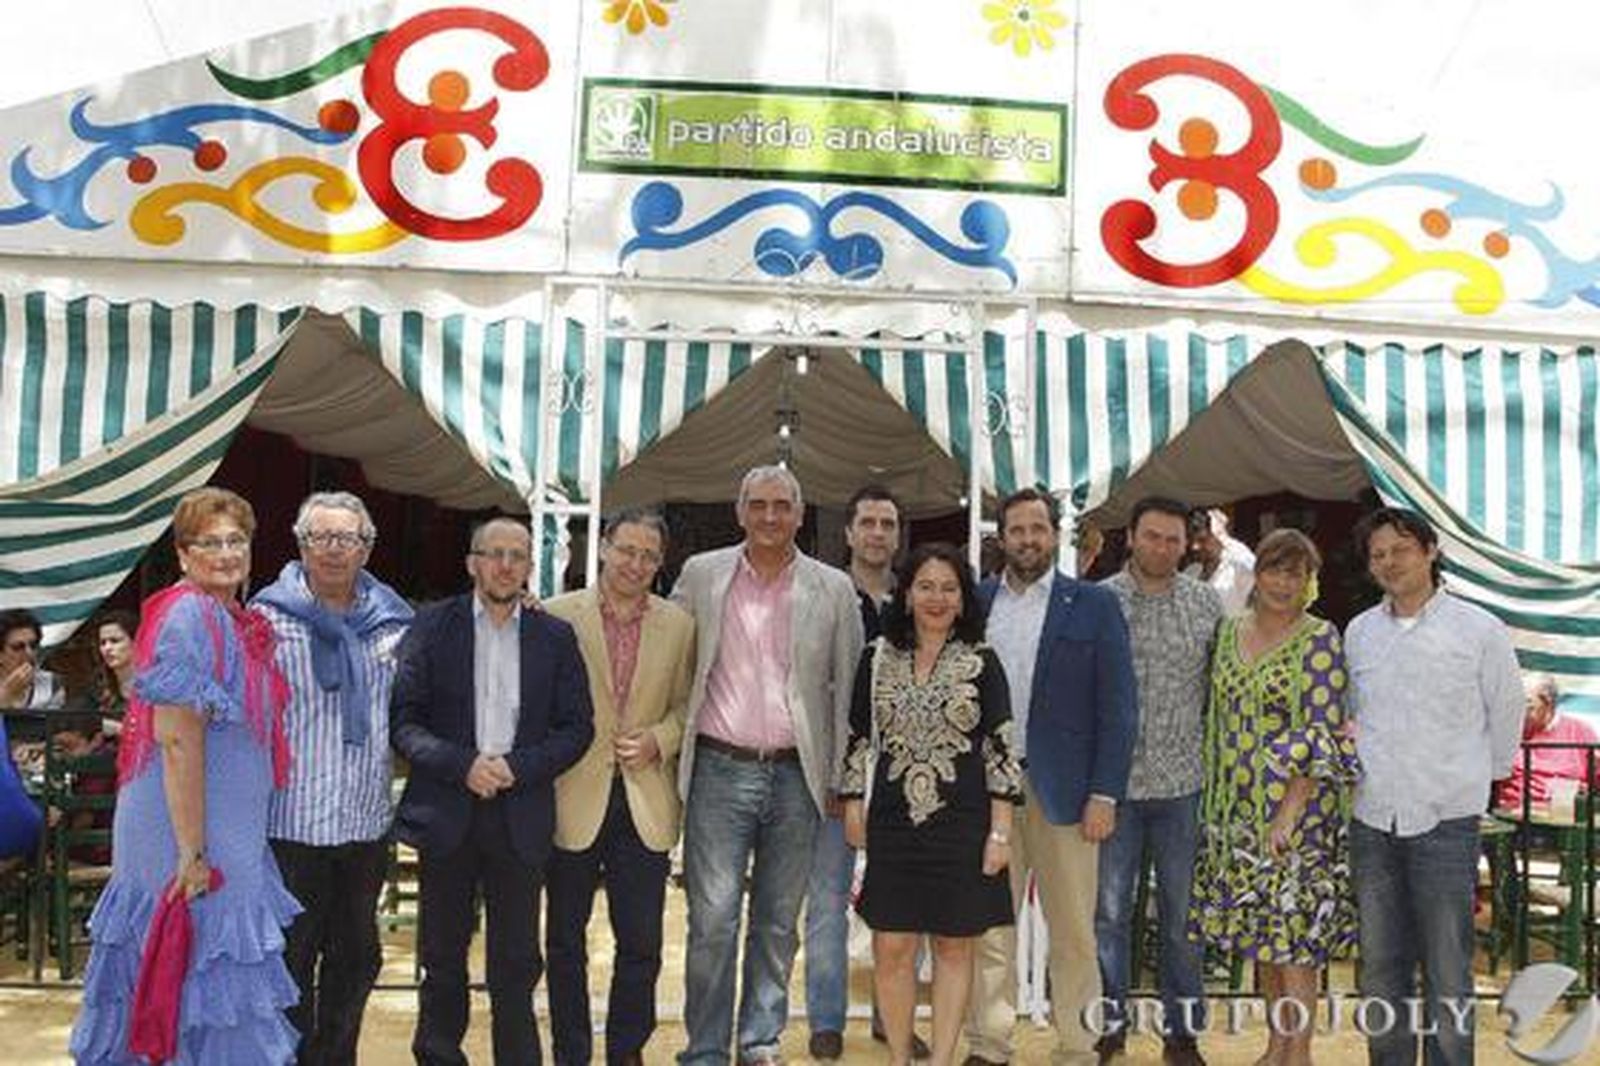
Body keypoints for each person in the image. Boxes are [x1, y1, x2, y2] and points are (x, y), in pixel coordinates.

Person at [70, 486, 300, 1063]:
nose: (226, 553)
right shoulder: (189, 614)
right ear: (182, 555)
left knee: (210, 981)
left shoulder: (228, 617)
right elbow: (176, 741)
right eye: (210, 542)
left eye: (237, 540)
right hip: (187, 835)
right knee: (193, 971)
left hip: (224, 830)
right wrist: (193, 852)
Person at [671, 465, 864, 1066]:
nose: (770, 517)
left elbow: (850, 691)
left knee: (779, 924)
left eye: (782, 506)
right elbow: (672, 657)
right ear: (740, 511)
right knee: (713, 923)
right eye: (759, 505)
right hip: (718, 770)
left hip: (796, 777)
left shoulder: (833, 589)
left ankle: (758, 1041)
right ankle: (704, 1050)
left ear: (801, 515)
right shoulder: (701, 575)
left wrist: (843, 780)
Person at [390, 516, 594, 1066]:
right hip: (448, 813)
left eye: (518, 555)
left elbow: (578, 728)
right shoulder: (432, 626)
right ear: (472, 563)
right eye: (494, 553)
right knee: (442, 958)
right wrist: (464, 766)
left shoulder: (554, 635)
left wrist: (516, 768)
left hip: (520, 816)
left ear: (531, 566)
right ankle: (438, 1055)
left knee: (517, 961)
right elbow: (404, 722)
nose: (506, 564)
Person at [1344, 507, 1522, 1066]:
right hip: (1373, 822)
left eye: (1400, 549)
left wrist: (1474, 782)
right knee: (1380, 967)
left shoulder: (1479, 629)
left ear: (1430, 550)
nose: (1389, 562)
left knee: (1448, 967)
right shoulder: (1360, 633)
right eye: (1378, 555)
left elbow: (1508, 710)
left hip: (1446, 823)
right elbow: (1353, 714)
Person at [967, 488, 1137, 1066]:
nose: (1028, 540)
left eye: (1038, 529)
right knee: (991, 930)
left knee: (1074, 933)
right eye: (1017, 530)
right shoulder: (978, 600)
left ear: (1054, 534)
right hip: (988, 795)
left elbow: (1118, 707)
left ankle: (1078, 1046)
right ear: (1003, 538)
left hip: (1067, 795)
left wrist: (1105, 792)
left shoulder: (1092, 605)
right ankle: (989, 1044)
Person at [841, 542, 1022, 1066]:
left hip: (964, 827)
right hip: (893, 825)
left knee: (953, 945)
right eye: (926, 586)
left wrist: (1001, 833)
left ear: (964, 600)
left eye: (949, 588)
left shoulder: (983, 662)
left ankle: (941, 1058)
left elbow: (1002, 749)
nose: (937, 598)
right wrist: (852, 801)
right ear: (907, 594)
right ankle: (900, 1056)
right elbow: (857, 737)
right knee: (892, 947)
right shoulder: (876, 658)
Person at [252, 491, 414, 1066]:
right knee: (291, 960)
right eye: (321, 537)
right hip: (290, 822)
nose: (334, 550)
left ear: (367, 547)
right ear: (300, 544)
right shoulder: (265, 620)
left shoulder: (394, 623)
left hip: (364, 824)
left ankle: (335, 1058)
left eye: (348, 538)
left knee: (356, 959)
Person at [1188, 529, 1359, 1066]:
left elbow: (1321, 731)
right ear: (1256, 573)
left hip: (1297, 817)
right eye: (1275, 569)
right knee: (1261, 935)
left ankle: (1299, 1052)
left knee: (1296, 941)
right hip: (1235, 814)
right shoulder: (1228, 630)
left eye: (1296, 573)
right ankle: (1275, 1045)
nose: (1283, 583)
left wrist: (1290, 809)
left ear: (1309, 582)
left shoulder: (1320, 638)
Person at [544, 508, 695, 1066]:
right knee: (563, 941)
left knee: (642, 944)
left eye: (649, 556)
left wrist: (660, 737)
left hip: (644, 798)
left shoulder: (679, 625)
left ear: (661, 563)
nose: (636, 564)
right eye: (626, 550)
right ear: (603, 547)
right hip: (571, 797)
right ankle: (571, 1050)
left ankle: (626, 1049)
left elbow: (687, 707)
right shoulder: (557, 616)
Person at [1095, 498, 1222, 1066]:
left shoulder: (1206, 605)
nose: (1163, 548)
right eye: (1152, 537)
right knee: (1109, 914)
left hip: (1182, 787)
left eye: (1173, 540)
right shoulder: (1100, 603)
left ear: (1186, 544)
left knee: (1181, 916)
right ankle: (1110, 1025)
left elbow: (1221, 689)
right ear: (1131, 538)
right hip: (1113, 790)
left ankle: (1182, 1033)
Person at [805, 484, 929, 1060]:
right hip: (837, 774)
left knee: (901, 900)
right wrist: (836, 775)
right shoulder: (822, 595)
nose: (878, 533)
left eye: (888, 523)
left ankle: (891, 1015)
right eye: (869, 523)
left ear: (898, 535)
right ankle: (826, 1021)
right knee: (829, 898)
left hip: (908, 778)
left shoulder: (918, 600)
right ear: (849, 534)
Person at [1496, 673, 1599, 811]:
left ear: (1548, 703)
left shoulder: (1580, 732)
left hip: (1564, 819)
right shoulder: (1504, 733)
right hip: (1515, 818)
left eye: (1526, 704)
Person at [1185, 509, 1255, 618]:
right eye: (1191, 540)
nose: (1195, 547)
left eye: (1202, 540)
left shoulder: (1239, 565)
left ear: (1217, 536)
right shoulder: (1191, 572)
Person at [0, 608, 63, 709]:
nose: (29, 653)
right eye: (18, 647)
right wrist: (6, 695)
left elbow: (54, 722)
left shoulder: (50, 683)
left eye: (33, 646)